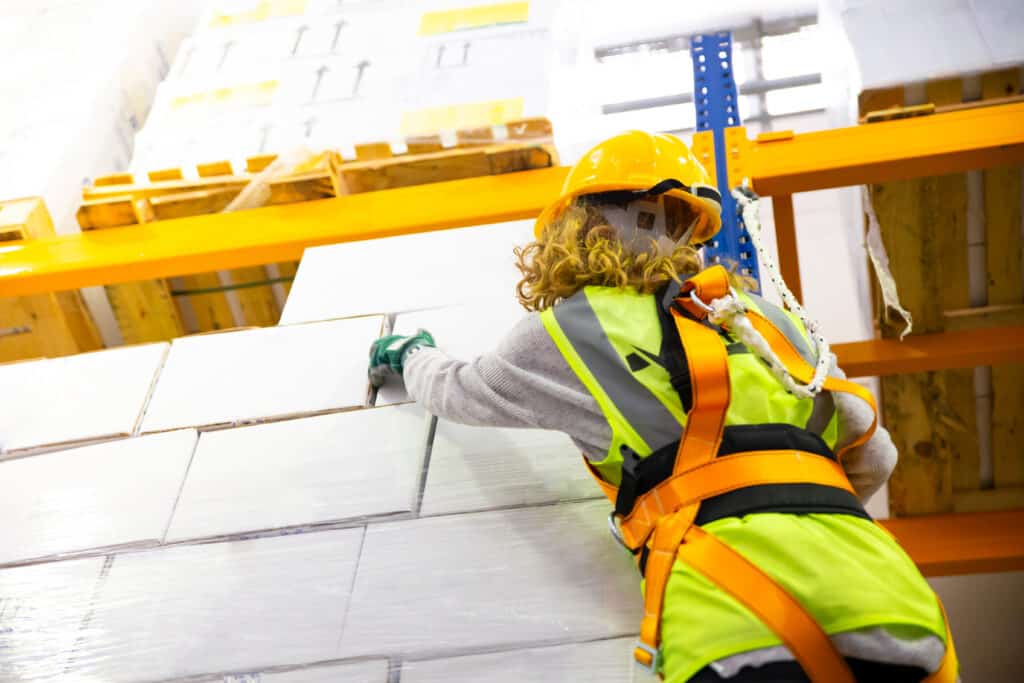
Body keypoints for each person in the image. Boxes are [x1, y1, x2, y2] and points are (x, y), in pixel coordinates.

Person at [368, 131, 957, 683]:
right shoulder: (765, 323)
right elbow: (877, 454)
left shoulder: (569, 332)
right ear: (690, 231)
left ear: (577, 227)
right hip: (889, 601)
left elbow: (458, 391)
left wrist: (411, 353)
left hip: (735, 621)